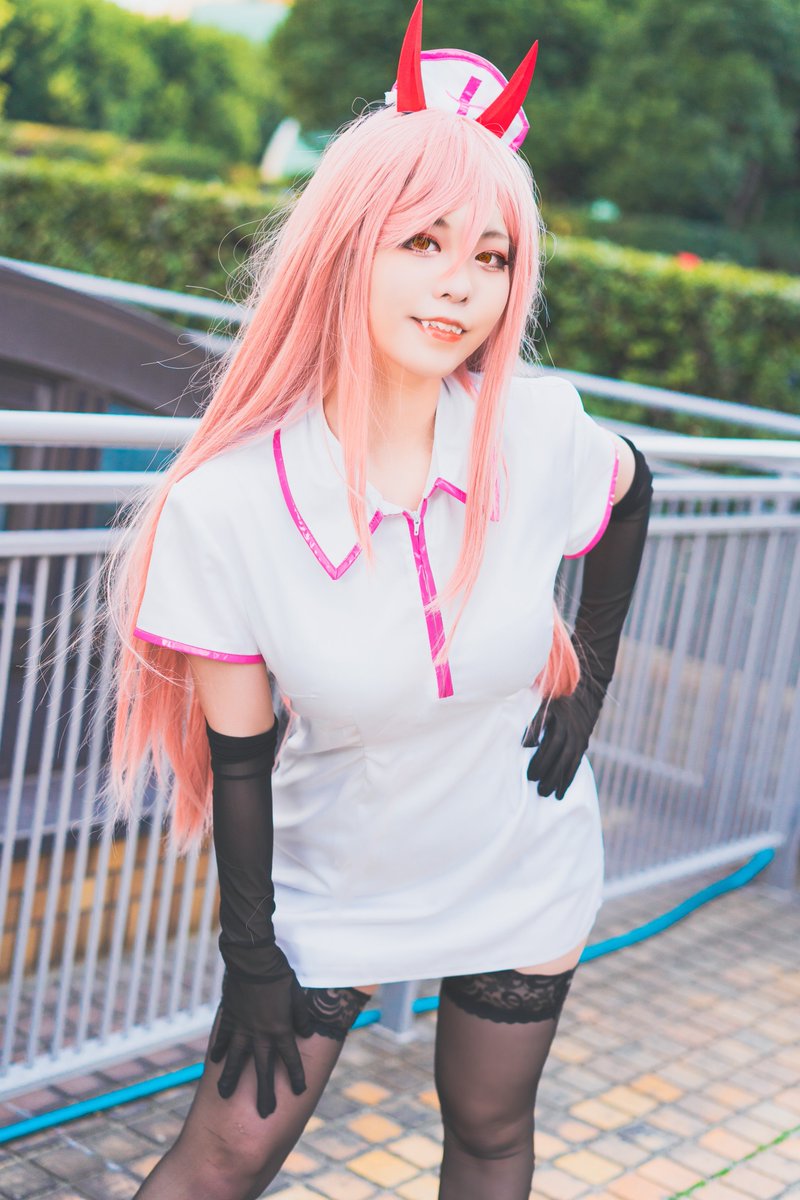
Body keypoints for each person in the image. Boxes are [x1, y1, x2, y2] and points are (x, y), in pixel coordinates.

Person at [105, 4, 653, 1197]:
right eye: (422, 242)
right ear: (345, 248)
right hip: (333, 877)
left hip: (518, 850)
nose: (459, 285)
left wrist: (590, 678)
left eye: (491, 257)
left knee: (491, 1130)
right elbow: (238, 762)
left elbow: (630, 488)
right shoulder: (229, 507)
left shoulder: (536, 431)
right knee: (223, 1157)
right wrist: (250, 952)